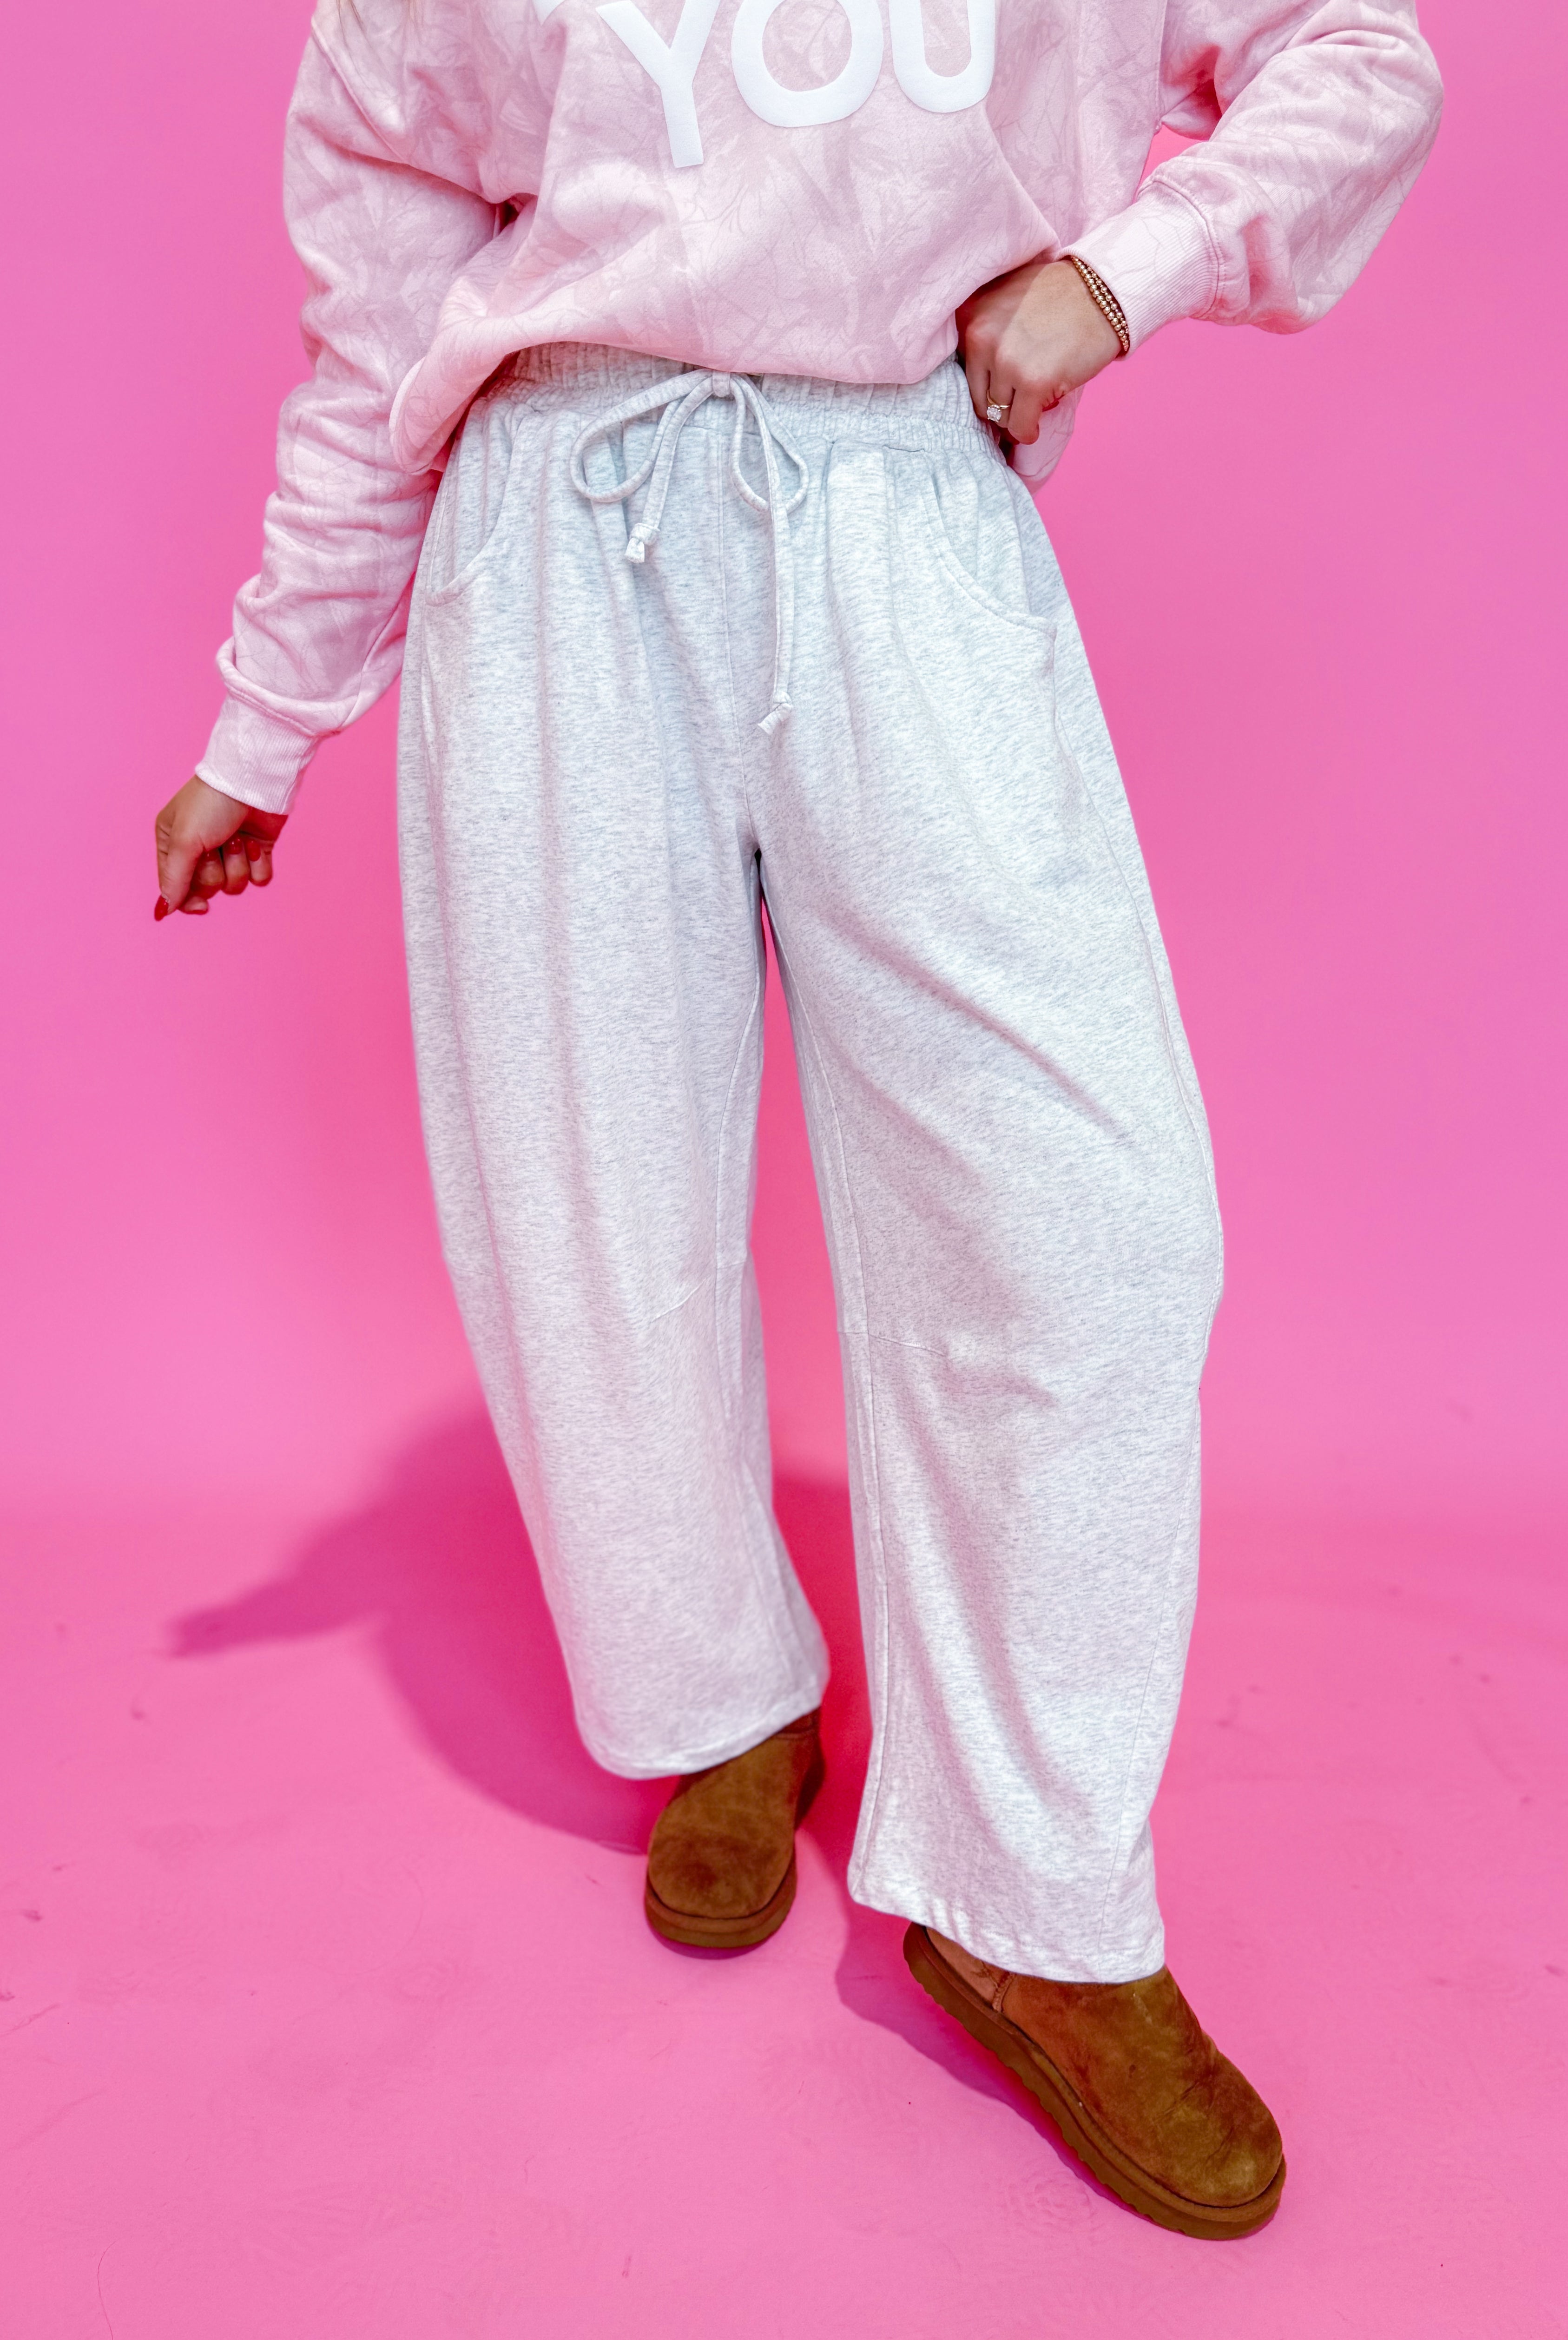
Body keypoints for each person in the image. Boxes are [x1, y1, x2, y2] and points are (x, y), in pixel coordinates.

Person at [153, 0, 1440, 2237]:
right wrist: (268, 716)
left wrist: (1120, 271)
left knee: (1088, 1216)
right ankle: (715, 1691)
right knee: (594, 1204)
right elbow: (376, 299)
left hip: (906, 507)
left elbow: (1357, 55)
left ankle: (1035, 1899)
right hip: (554, 536)